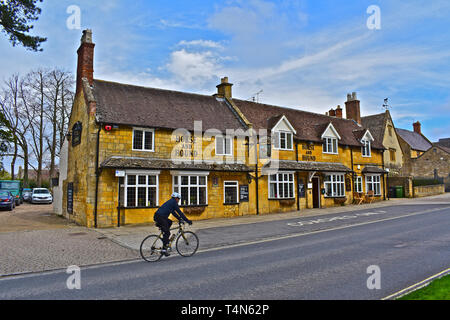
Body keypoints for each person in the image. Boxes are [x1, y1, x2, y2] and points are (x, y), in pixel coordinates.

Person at [154, 192, 192, 256]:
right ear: (176, 198)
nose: (178, 201)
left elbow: (173, 212)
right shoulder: (173, 202)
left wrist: (179, 219)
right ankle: (164, 246)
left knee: (169, 222)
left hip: (159, 217)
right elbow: (180, 212)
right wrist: (187, 221)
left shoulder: (171, 202)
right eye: (178, 199)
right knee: (167, 233)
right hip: (160, 217)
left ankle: (165, 243)